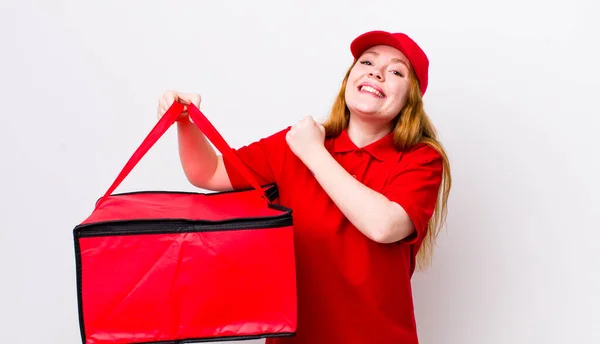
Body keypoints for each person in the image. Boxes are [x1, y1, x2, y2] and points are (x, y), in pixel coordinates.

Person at [157, 30, 451, 344]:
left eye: (396, 71)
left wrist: (313, 153)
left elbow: (384, 226)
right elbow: (208, 171)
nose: (376, 72)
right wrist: (186, 123)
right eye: (366, 62)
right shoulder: (296, 142)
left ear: (411, 99)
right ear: (349, 79)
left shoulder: (421, 159)